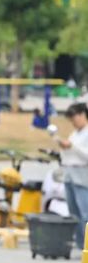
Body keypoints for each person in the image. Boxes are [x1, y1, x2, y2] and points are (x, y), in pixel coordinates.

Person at [55, 103, 88, 248]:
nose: (72, 122)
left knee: (85, 213)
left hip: (83, 175)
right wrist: (64, 148)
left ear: (82, 115)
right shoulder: (74, 134)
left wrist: (72, 146)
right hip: (70, 175)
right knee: (74, 213)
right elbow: (69, 155)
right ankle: (81, 244)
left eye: (73, 118)